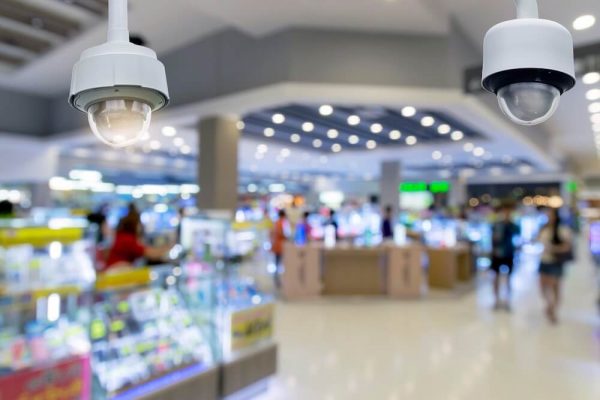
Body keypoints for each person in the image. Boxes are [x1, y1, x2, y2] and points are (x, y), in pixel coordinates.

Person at [105, 212, 172, 271]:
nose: (140, 227)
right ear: (134, 225)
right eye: (139, 224)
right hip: (116, 273)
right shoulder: (127, 239)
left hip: (114, 271)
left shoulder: (122, 236)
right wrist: (168, 247)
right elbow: (151, 254)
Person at [538, 208, 572, 324]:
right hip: (544, 260)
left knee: (554, 286)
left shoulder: (562, 230)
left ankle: (552, 309)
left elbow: (567, 246)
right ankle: (549, 306)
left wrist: (554, 249)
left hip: (555, 261)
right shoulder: (544, 229)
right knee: (543, 286)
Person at [490, 205, 520, 310]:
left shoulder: (513, 226)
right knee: (496, 277)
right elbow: (492, 238)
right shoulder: (497, 225)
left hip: (508, 254)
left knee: (508, 278)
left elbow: (518, 235)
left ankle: (507, 300)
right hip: (497, 254)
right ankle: (496, 299)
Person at [271, 209, 288, 287]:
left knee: (277, 262)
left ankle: (277, 279)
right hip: (280, 246)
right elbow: (281, 233)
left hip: (277, 245)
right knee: (279, 263)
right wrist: (286, 237)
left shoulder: (276, 222)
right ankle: (278, 280)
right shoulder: (281, 223)